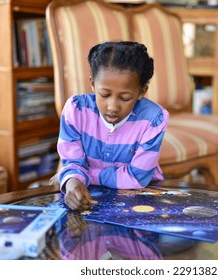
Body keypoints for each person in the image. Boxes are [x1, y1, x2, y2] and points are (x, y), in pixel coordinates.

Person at [57, 41, 169, 211]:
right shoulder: (76, 110)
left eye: (125, 98)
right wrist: (72, 181)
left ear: (142, 91)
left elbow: (136, 178)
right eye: (104, 94)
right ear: (93, 84)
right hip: (89, 194)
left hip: (139, 195)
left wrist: (84, 175)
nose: (112, 107)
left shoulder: (154, 119)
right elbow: (72, 162)